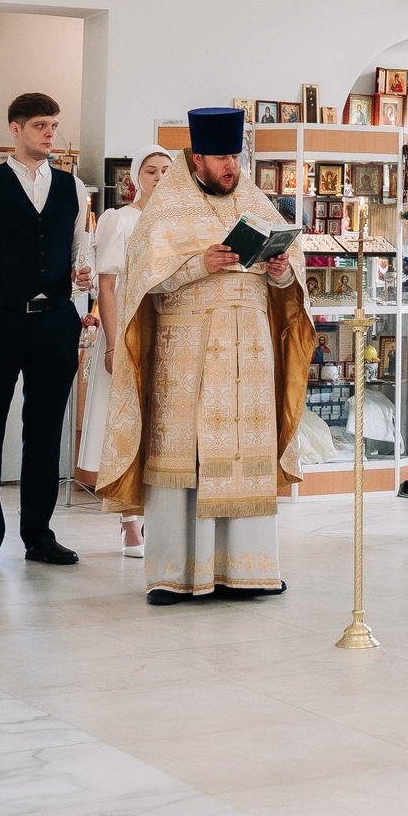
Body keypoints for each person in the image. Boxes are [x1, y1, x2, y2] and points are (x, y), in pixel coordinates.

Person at [97, 107, 316, 604]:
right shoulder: (166, 208)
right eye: (221, 158)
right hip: (188, 351)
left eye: (235, 158)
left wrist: (281, 268)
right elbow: (142, 283)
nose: (231, 168)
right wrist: (198, 263)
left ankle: (249, 570)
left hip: (251, 351)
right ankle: (173, 574)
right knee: (187, 459)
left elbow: (287, 283)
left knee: (245, 459)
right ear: (197, 158)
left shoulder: (255, 201)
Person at [0, 92, 95, 572]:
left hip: (54, 321)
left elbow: (80, 252)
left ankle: (38, 534)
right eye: (39, 126)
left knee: (46, 431)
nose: (49, 133)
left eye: (53, 125)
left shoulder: (73, 189)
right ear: (15, 129)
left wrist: (81, 284)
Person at [83, 149, 173, 557]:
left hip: (169, 329)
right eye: (150, 171)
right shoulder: (118, 219)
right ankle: (128, 522)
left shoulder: (177, 220)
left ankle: (158, 516)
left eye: (166, 171)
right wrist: (114, 341)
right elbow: (106, 285)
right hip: (126, 328)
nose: (158, 176)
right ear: (136, 178)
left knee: (160, 423)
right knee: (123, 421)